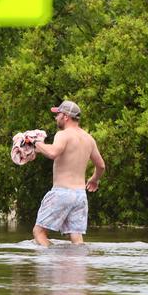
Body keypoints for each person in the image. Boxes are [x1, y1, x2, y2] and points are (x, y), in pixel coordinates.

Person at [31, 100, 105, 246]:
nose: (55, 118)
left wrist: (35, 142)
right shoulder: (89, 139)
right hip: (80, 196)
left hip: (62, 193)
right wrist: (95, 179)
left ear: (65, 116)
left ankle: (52, 263)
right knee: (76, 238)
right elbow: (101, 165)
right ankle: (77, 266)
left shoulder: (63, 135)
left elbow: (53, 152)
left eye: (57, 114)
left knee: (38, 232)